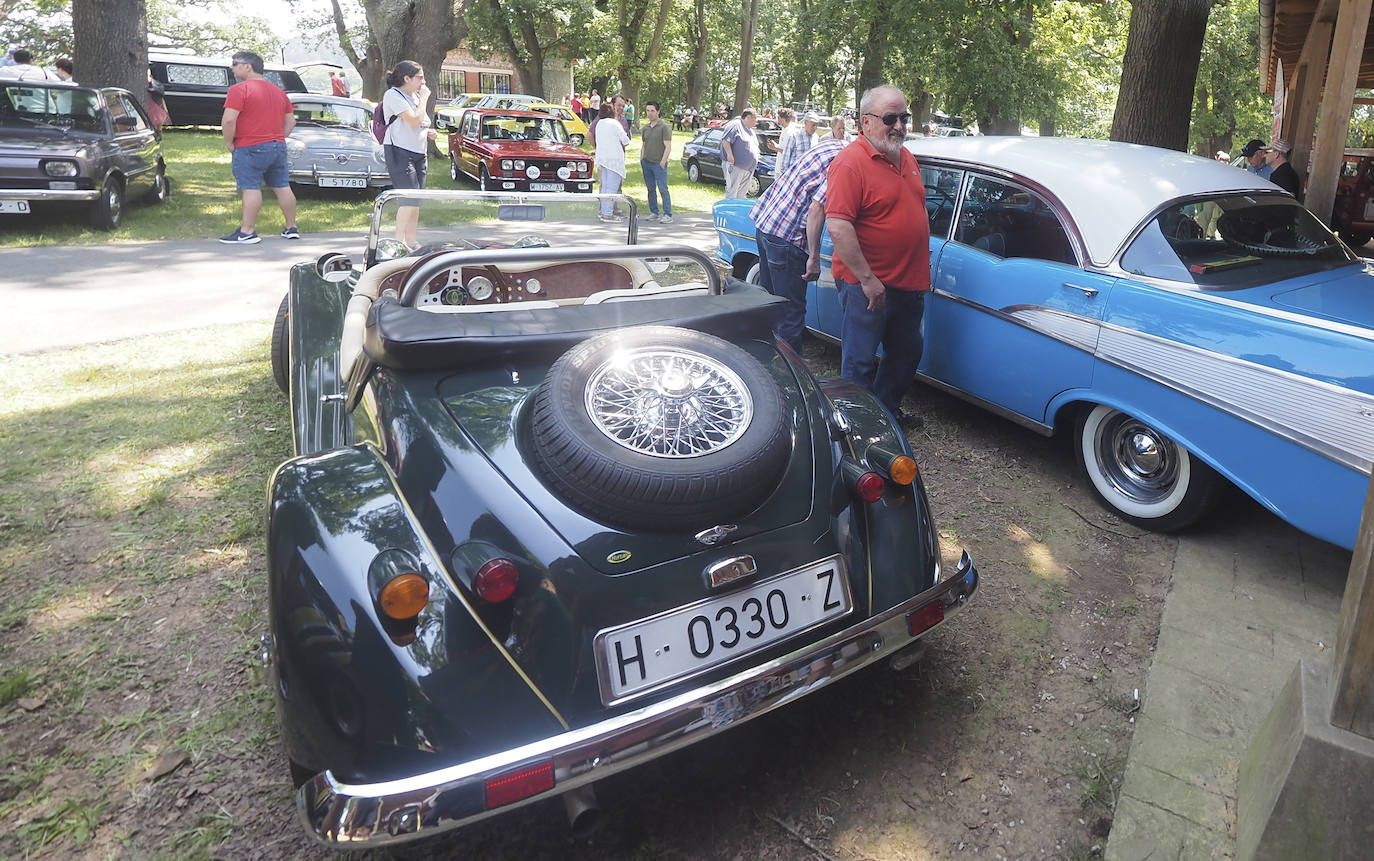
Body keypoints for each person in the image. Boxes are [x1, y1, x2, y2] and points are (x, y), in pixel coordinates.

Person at [824, 84, 929, 427]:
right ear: (865, 122)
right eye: (890, 118)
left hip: (909, 283)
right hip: (866, 285)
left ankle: (885, 414)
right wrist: (868, 280)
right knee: (860, 360)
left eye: (904, 117)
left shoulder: (906, 156)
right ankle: (856, 427)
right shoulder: (850, 164)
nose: (899, 125)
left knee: (905, 354)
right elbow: (839, 227)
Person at [750, 130, 847, 353]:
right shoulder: (846, 163)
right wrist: (813, 257)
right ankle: (791, 382)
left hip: (767, 221)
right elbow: (817, 208)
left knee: (771, 305)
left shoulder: (833, 145)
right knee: (790, 314)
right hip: (787, 236)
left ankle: (767, 362)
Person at [219, 51, 299, 244]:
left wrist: (229, 142)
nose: (232, 67)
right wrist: (278, 137)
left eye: (235, 63)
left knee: (250, 187)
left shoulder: (239, 90)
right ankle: (291, 227)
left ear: (248, 67)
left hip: (249, 146)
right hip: (277, 146)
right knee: (282, 186)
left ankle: (247, 232)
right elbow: (291, 122)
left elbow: (229, 120)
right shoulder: (280, 92)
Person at [381, 60, 437, 249]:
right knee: (407, 199)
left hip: (419, 153)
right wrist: (424, 99)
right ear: (407, 78)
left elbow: (421, 122)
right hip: (399, 150)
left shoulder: (413, 97)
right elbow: (413, 119)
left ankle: (411, 240)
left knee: (416, 200)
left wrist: (430, 132)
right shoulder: (393, 95)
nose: (423, 81)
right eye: (419, 77)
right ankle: (398, 242)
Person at [593, 102, 630, 221]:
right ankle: (608, 213)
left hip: (602, 158)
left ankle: (603, 211)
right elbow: (625, 140)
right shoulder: (614, 123)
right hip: (613, 160)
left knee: (604, 188)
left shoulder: (599, 123)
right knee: (612, 188)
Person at [639, 101, 673, 223]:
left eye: (652, 111)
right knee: (650, 189)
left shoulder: (664, 127)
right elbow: (643, 145)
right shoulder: (645, 128)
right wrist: (641, 158)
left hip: (658, 163)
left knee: (663, 189)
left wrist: (663, 162)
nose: (650, 113)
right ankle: (654, 212)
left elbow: (668, 146)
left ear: (658, 111)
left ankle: (667, 214)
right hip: (646, 162)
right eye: (648, 111)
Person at [720, 108, 759, 198]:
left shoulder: (751, 131)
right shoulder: (735, 125)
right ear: (748, 117)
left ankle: (737, 211)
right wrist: (729, 154)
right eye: (755, 118)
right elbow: (726, 140)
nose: (756, 121)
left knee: (742, 194)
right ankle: (730, 211)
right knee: (732, 191)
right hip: (735, 166)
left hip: (748, 169)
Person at [777, 110, 819, 177]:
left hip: (809, 178)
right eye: (813, 125)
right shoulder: (795, 136)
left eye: (817, 125)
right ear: (806, 123)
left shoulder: (816, 137)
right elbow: (786, 159)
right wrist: (784, 178)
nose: (815, 128)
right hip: (794, 177)